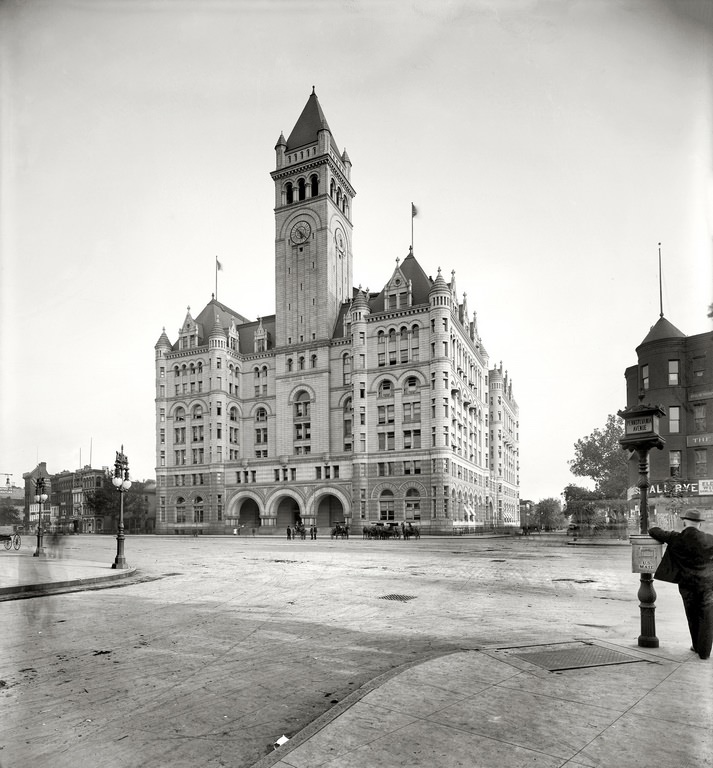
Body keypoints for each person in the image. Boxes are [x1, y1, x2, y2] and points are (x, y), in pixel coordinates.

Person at [649, 509, 713, 660]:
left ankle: (696, 645)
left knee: (691, 614)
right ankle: (704, 652)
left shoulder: (675, 537)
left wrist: (654, 524)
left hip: (686, 584)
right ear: (700, 525)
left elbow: (654, 531)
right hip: (707, 584)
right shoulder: (710, 539)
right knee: (707, 616)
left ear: (684, 522)